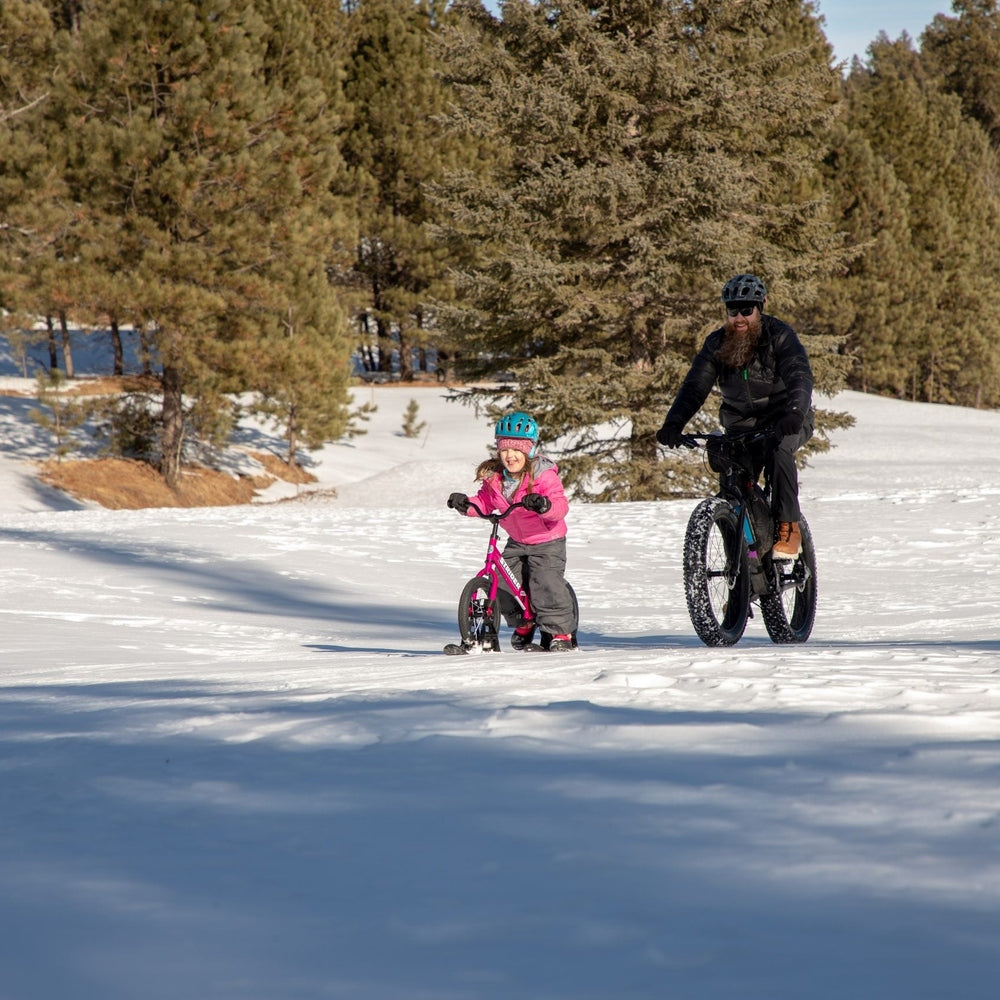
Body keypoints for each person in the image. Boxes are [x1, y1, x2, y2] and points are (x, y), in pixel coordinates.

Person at [656, 273, 814, 559]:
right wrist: (673, 423)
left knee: (780, 452)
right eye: (733, 311)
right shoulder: (717, 343)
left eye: (746, 310)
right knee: (733, 490)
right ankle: (741, 578)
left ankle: (789, 525)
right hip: (740, 427)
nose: (739, 318)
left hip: (785, 419)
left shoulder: (779, 335)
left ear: (761, 306)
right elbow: (695, 386)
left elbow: (799, 375)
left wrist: (794, 411)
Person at [448, 411, 577, 651]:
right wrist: (466, 504)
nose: (510, 455)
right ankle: (524, 622)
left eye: (517, 450)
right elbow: (485, 502)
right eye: (505, 449)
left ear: (528, 450)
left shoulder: (543, 475)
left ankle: (560, 634)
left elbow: (560, 505)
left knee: (545, 583)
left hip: (547, 539)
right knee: (503, 584)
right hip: (517, 540)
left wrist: (544, 506)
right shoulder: (496, 479)